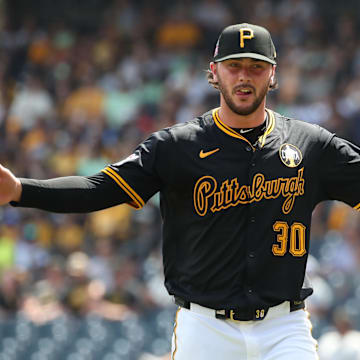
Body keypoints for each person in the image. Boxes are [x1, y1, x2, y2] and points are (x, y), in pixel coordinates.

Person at [0, 22, 359, 359]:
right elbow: (99, 189)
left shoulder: (310, 145)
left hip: (285, 325)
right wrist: (20, 189)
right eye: (234, 66)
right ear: (214, 72)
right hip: (205, 327)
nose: (244, 76)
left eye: (256, 66)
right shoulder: (177, 146)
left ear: (273, 74)